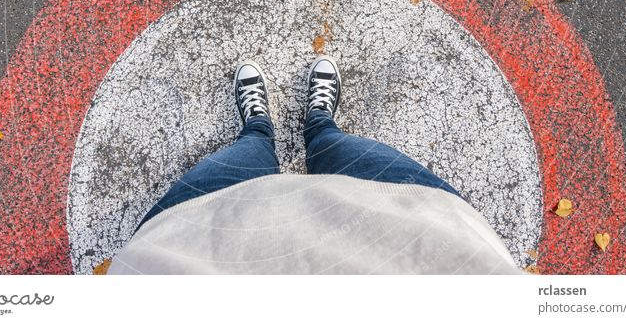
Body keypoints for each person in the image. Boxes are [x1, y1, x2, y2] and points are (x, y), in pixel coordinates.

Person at [108, 57, 519, 274]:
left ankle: (258, 128)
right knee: (335, 147)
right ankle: (318, 122)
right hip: (417, 236)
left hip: (195, 241)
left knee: (247, 156)